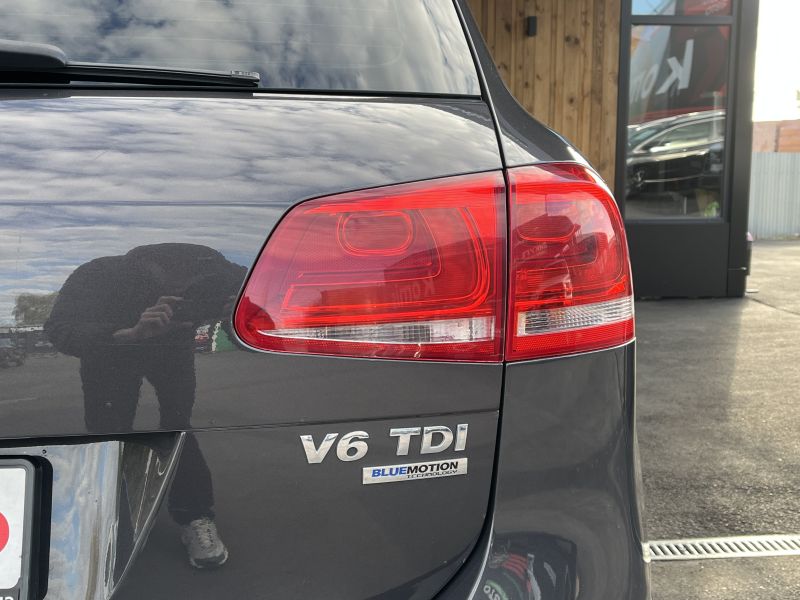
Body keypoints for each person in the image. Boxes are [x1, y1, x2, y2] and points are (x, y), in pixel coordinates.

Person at [45, 243, 246, 569]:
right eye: (170, 283)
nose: (180, 290)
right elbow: (58, 328)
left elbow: (262, 318)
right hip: (111, 352)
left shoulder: (224, 273)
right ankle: (108, 517)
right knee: (109, 434)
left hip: (172, 349)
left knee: (177, 426)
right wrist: (127, 333)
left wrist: (239, 316)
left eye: (188, 286)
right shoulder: (99, 273)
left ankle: (195, 514)